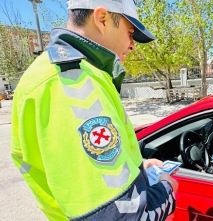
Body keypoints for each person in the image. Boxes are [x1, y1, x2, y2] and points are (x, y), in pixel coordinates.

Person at [10, 0, 178, 220]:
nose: (133, 44)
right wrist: (167, 188)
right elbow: (123, 216)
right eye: (130, 33)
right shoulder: (70, 82)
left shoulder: (75, 72)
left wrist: (140, 167)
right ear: (102, 19)